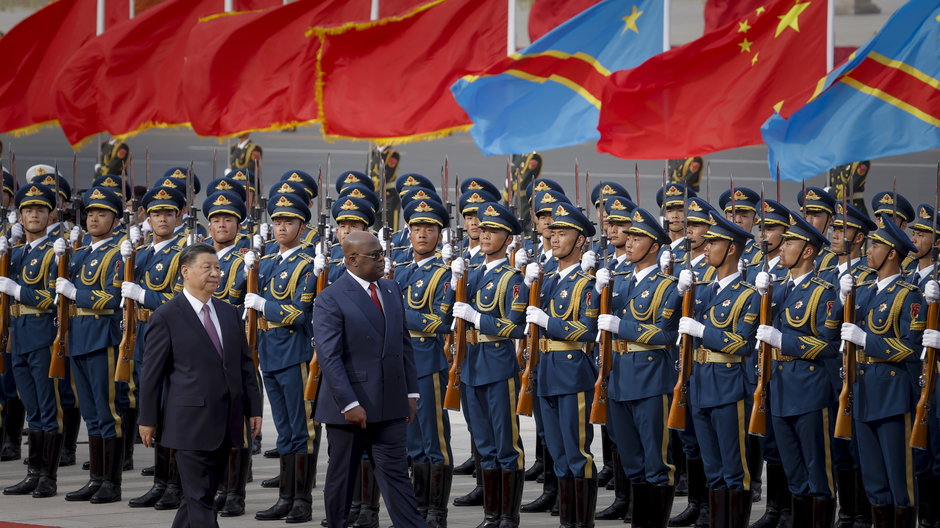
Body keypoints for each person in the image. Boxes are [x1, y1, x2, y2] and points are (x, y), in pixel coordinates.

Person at [138, 243, 263, 528]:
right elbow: (152, 375)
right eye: (207, 268)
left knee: (200, 496)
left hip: (225, 420)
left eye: (218, 268)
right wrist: (147, 419)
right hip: (188, 423)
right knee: (201, 498)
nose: (215, 274)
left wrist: (253, 409)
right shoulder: (167, 316)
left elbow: (245, 367)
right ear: (186, 271)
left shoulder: (229, 313)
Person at [313, 230, 424, 528]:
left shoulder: (390, 290)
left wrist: (411, 394)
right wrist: (348, 403)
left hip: (389, 403)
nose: (382, 260)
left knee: (397, 477)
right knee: (342, 480)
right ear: (351, 260)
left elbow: (403, 345)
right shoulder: (330, 298)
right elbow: (330, 357)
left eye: (382, 253)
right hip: (350, 408)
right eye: (374, 255)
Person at [753, 214, 841, 527]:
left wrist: (784, 341)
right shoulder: (778, 291)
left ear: (807, 251)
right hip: (781, 388)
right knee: (793, 473)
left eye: (789, 242)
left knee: (818, 473)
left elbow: (830, 346)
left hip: (809, 389)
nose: (781, 247)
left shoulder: (824, 293)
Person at [596, 206, 681, 528]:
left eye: (638, 237)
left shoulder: (668, 286)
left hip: (649, 380)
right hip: (619, 378)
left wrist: (624, 327)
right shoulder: (618, 281)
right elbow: (595, 322)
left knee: (655, 461)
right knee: (630, 460)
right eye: (628, 236)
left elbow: (666, 335)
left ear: (655, 245)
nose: (629, 243)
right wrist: (596, 291)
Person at [838, 219, 924, 527]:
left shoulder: (908, 296)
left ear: (891, 254)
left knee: (900, 480)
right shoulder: (863, 292)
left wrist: (868, 341)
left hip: (892, 395)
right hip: (863, 392)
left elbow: (912, 350)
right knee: (874, 480)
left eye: (875, 245)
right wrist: (842, 296)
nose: (868, 250)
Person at [676, 211, 760, 527]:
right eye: (706, 241)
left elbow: (741, 343)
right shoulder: (704, 290)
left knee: (734, 469)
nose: (706, 248)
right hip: (700, 385)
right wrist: (679, 291)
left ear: (732, 248)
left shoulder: (747, 294)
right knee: (712, 469)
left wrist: (702, 332)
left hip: (728, 385)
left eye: (714, 243)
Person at [450, 202, 528, 528]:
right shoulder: (472, 273)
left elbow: (515, 327)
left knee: (505, 445)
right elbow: (449, 317)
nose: (485, 235)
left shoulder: (513, 279)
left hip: (497, 365)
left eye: (493, 230)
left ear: (508, 238)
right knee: (483, 444)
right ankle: (491, 514)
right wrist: (452, 287)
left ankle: (508, 516)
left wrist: (477, 317)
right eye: (483, 229)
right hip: (470, 366)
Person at [524, 201, 601, 528]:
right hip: (546, 371)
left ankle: (581, 523)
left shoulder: (587, 284)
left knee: (576, 455)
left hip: (571, 372)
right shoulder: (547, 279)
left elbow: (587, 329)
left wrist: (549, 321)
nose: (554, 238)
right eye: (552, 232)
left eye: (563, 233)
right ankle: (567, 522)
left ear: (581, 240)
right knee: (557, 454)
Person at [56, 187, 126, 504]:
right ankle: (95, 478)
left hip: (101, 336)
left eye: (102, 213)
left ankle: (111, 483)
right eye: (90, 213)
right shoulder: (81, 253)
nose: (94, 218)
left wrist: (75, 294)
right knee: (91, 414)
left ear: (115, 219)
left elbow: (112, 299)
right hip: (79, 338)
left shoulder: (118, 254)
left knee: (108, 412)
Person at [0, 183, 66, 498]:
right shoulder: (15, 252)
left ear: (49, 213)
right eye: (28, 210)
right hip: (18, 335)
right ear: (20, 216)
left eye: (40, 209)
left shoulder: (56, 250)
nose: (34, 215)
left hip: (42, 334)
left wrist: (18, 291)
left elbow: (53, 296)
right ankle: (33, 472)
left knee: (46, 406)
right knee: (31, 408)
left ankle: (48, 478)